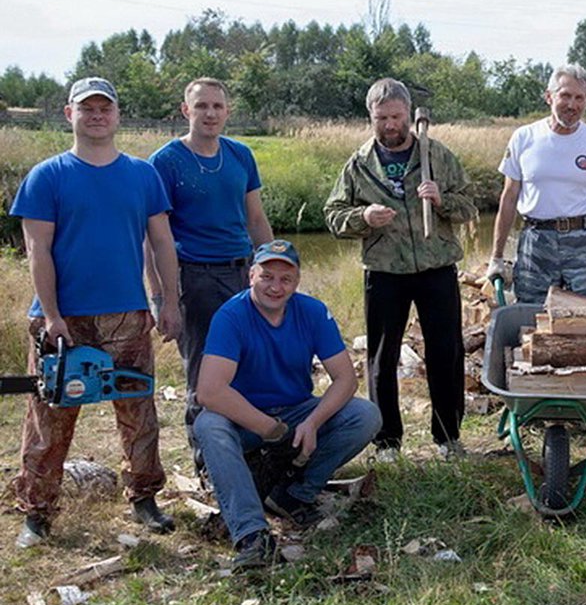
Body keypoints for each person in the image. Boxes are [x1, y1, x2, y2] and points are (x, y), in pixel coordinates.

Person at [9, 77, 182, 548]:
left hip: (127, 314)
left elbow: (162, 241)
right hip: (63, 318)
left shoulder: (143, 175)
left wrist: (168, 300)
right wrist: (52, 315)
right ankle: (37, 512)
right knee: (49, 415)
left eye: (105, 108)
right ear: (70, 115)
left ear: (117, 115)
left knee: (137, 410)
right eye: (87, 109)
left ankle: (144, 497)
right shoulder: (47, 176)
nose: (97, 115)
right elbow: (37, 249)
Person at [193, 240, 382, 570]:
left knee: (364, 414)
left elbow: (346, 380)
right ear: (251, 275)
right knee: (208, 424)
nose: (275, 287)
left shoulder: (312, 311)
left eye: (285, 279)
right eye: (266, 276)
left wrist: (312, 422)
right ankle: (252, 534)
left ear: (297, 282)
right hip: (246, 419)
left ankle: (294, 493)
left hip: (296, 409)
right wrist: (270, 429)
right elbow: (209, 392)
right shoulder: (231, 316)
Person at [325, 78, 478, 461]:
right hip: (384, 271)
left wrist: (442, 201)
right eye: (382, 118)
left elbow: (470, 206)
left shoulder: (436, 155)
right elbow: (333, 216)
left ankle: (447, 438)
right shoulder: (359, 164)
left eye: (396, 116)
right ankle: (387, 441)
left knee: (446, 353)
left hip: (436, 267)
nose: (390, 125)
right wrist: (363, 216)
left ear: (409, 114)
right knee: (382, 357)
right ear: (370, 117)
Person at [487, 64, 586, 442]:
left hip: (584, 240)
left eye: (580, 98)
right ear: (550, 96)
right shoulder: (524, 138)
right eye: (565, 96)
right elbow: (509, 198)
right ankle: (532, 404)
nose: (572, 104)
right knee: (529, 322)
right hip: (536, 240)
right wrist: (497, 256)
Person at [147, 77, 273, 473]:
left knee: (249, 364)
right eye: (202, 106)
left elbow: (255, 218)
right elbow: (153, 238)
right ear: (186, 111)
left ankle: (247, 452)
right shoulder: (165, 162)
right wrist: (162, 297)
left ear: (227, 111)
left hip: (243, 274)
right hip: (195, 278)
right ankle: (208, 464)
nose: (210, 114)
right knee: (205, 374)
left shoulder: (240, 156)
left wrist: (274, 266)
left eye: (218, 106)